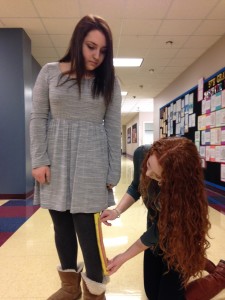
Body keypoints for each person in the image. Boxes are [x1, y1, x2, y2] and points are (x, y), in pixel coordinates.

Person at [30, 14, 121, 300]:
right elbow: (39, 118)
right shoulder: (49, 73)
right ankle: (70, 287)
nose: (96, 55)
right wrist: (39, 159)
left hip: (92, 161)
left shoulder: (109, 82)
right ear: (77, 42)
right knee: (61, 225)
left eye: (102, 50)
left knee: (87, 230)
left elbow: (113, 128)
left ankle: (95, 291)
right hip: (55, 159)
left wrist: (112, 173)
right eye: (91, 46)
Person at [101, 137, 225, 300]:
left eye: (158, 177)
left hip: (179, 238)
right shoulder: (142, 154)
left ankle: (221, 275)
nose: (147, 173)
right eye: (149, 166)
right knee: (152, 293)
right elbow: (136, 186)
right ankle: (200, 260)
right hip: (156, 235)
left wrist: (123, 257)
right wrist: (116, 211)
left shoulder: (183, 193)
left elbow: (158, 230)